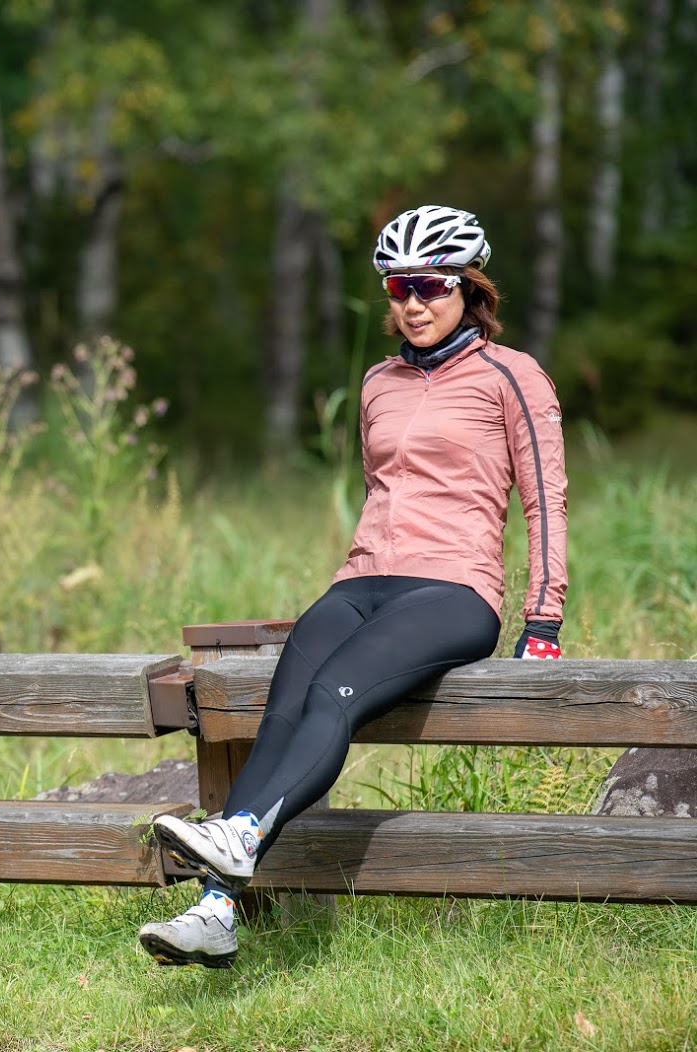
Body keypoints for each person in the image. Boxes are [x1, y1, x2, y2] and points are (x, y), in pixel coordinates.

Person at [138, 204, 569, 969]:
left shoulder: (511, 375)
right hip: (361, 580)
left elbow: (544, 498)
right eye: (398, 287)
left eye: (429, 287)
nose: (411, 303)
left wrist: (543, 619)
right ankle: (214, 912)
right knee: (282, 711)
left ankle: (237, 838)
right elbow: (380, 487)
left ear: (469, 289)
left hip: (452, 589)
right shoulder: (377, 382)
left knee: (335, 688)